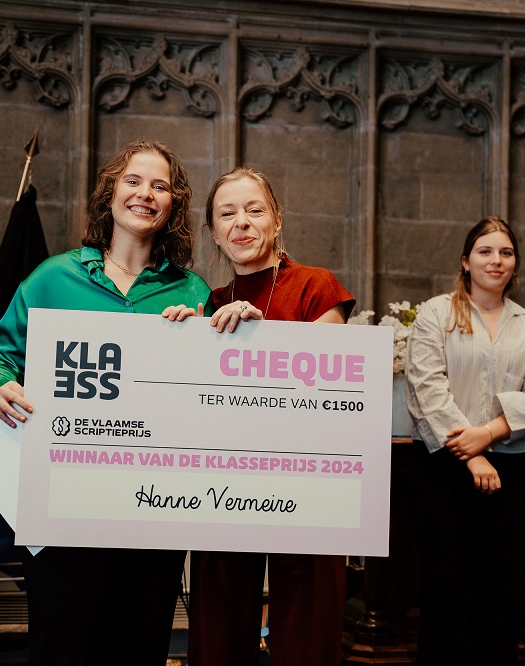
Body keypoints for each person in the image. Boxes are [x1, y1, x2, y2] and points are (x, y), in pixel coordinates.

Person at [0, 138, 210, 665]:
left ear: (173, 204)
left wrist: (209, 336)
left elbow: (212, 395)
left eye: (160, 186)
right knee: (63, 647)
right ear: (110, 193)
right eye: (133, 181)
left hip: (153, 511)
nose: (145, 193)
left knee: (140, 648)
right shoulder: (53, 278)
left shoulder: (193, 292)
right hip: (65, 505)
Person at [173, 167, 355, 666]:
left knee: (306, 631)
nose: (242, 223)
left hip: (308, 483)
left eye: (255, 210)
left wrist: (267, 338)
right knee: (218, 625)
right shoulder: (210, 304)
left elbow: (336, 390)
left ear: (276, 220)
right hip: (227, 486)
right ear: (213, 233)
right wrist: (179, 341)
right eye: (227, 214)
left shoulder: (316, 286)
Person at [404, 216, 525, 666]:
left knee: (504, 592)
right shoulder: (436, 313)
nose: (496, 260)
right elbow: (427, 389)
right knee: (446, 590)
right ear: (465, 261)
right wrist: (471, 456)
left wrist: (487, 435)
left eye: (506, 253)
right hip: (444, 468)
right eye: (485, 251)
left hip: (512, 468)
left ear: (515, 264)